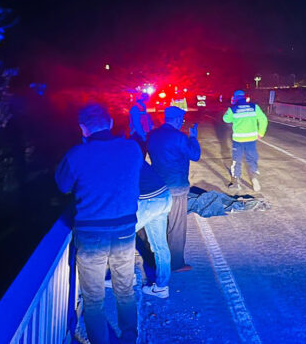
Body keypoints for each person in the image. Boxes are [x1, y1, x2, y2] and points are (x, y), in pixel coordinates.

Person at [56, 104, 142, 344]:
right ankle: (129, 338)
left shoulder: (76, 154)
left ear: (83, 129)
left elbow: (63, 186)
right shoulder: (132, 148)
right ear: (111, 123)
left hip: (91, 233)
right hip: (125, 231)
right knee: (124, 290)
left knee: (93, 299)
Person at [147, 106, 200, 272]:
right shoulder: (179, 137)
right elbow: (195, 155)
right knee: (176, 226)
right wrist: (194, 138)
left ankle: (156, 259)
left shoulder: (153, 135)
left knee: (159, 225)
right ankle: (176, 264)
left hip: (157, 187)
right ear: (177, 120)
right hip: (176, 188)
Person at [135, 161, 172, 298]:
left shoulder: (115, 156)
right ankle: (162, 287)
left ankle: (126, 278)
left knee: (122, 236)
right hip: (164, 196)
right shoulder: (130, 150)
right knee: (160, 246)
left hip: (149, 201)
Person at [223, 90, 268, 191]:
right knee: (252, 159)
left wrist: (231, 108)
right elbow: (263, 119)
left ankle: (236, 183)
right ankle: (254, 179)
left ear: (235, 98)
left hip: (238, 140)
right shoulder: (254, 107)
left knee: (236, 160)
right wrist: (261, 133)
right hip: (251, 139)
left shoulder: (233, 108)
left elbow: (226, 119)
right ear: (244, 97)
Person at [129, 92, 153, 157]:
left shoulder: (143, 107)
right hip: (138, 135)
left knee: (143, 154)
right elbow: (137, 124)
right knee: (140, 155)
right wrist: (143, 136)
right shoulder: (135, 108)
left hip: (143, 134)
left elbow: (146, 121)